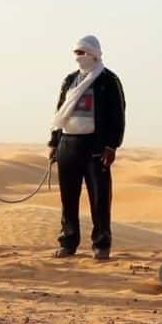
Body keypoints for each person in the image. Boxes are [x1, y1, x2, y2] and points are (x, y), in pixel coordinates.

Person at [48, 35, 126, 260]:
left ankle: (101, 244)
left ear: (94, 54)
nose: (78, 57)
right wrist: (54, 143)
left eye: (82, 53)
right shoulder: (70, 80)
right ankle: (68, 242)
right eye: (76, 53)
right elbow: (59, 113)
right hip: (68, 144)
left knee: (100, 198)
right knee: (68, 198)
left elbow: (118, 115)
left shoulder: (108, 81)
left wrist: (112, 145)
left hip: (96, 146)